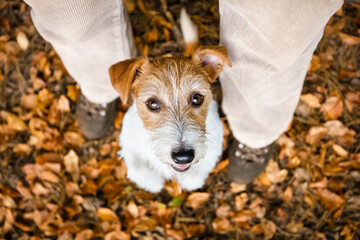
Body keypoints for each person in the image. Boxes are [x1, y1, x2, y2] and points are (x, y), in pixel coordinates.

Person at [24, 0, 343, 184]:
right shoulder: (131, 81)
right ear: (131, 92)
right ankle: (98, 87)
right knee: (70, 15)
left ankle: (255, 132)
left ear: (213, 69)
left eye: (196, 99)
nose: (180, 138)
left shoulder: (210, 65)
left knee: (275, 41)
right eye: (152, 104)